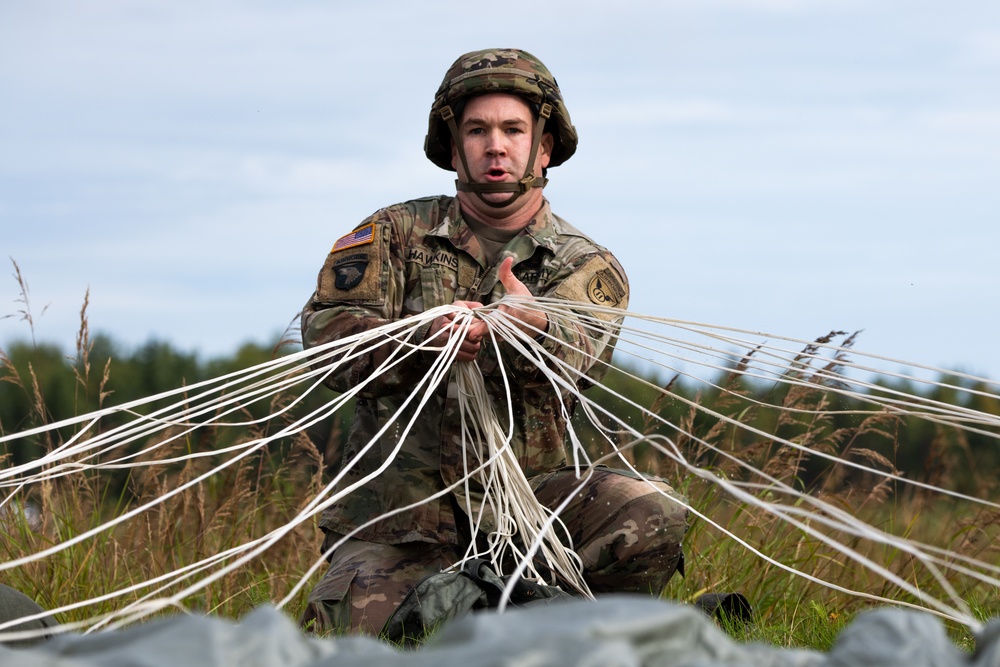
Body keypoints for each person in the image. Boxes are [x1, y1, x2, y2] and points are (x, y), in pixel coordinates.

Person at [299, 49, 689, 637]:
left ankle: (570, 625)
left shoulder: (584, 264)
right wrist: (423, 341)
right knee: (357, 640)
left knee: (650, 512)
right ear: (454, 148)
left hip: (531, 514)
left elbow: (582, 353)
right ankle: (510, 614)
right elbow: (327, 340)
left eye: (514, 130)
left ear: (545, 147)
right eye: (476, 131)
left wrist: (537, 328)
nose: (495, 146)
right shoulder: (391, 235)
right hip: (400, 522)